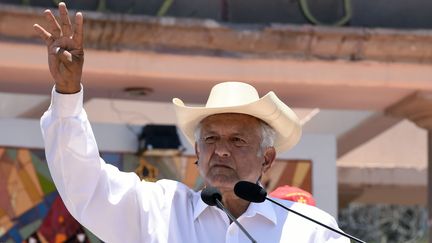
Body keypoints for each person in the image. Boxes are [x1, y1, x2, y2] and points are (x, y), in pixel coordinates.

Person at [34, 2, 349, 242]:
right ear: (197, 152)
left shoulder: (307, 230)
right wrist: (67, 92)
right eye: (211, 139)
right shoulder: (160, 210)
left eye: (237, 140)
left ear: (267, 158)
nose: (221, 150)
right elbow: (85, 185)